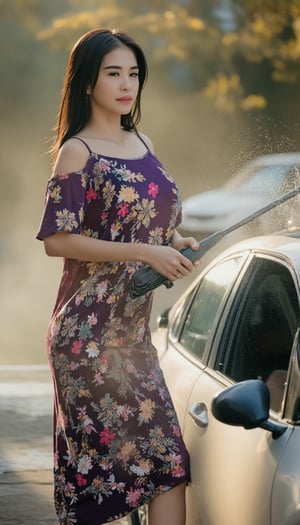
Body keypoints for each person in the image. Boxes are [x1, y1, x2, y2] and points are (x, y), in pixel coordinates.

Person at [36, 27, 199, 525]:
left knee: (168, 465)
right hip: (85, 338)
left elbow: (150, 222)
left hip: (131, 336)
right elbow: (57, 240)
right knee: (101, 482)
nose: (126, 85)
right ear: (88, 82)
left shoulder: (142, 141)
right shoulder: (78, 151)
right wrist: (145, 252)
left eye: (134, 74)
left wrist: (172, 243)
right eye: (113, 74)